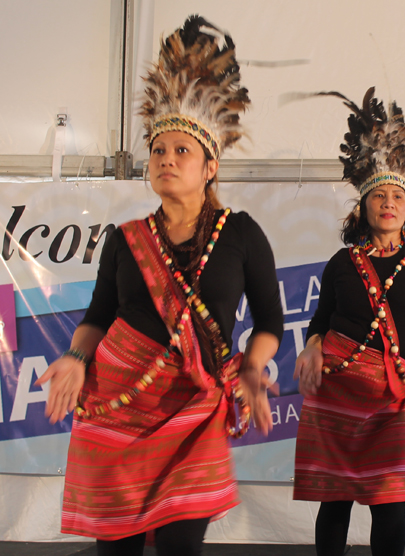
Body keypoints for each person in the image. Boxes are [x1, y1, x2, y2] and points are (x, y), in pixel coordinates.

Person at [36, 16, 283, 556]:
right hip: (119, 404)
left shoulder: (240, 233)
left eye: (181, 151)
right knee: (117, 547)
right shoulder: (127, 240)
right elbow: (98, 316)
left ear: (210, 165)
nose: (166, 159)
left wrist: (252, 366)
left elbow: (269, 321)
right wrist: (77, 358)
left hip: (195, 409)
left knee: (180, 544)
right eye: (158, 151)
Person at [293, 87, 405, 556]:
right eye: (379, 195)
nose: (388, 202)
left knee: (390, 505)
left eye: (396, 195)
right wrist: (311, 346)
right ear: (363, 206)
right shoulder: (341, 262)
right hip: (337, 390)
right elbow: (320, 318)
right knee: (336, 502)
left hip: (395, 396)